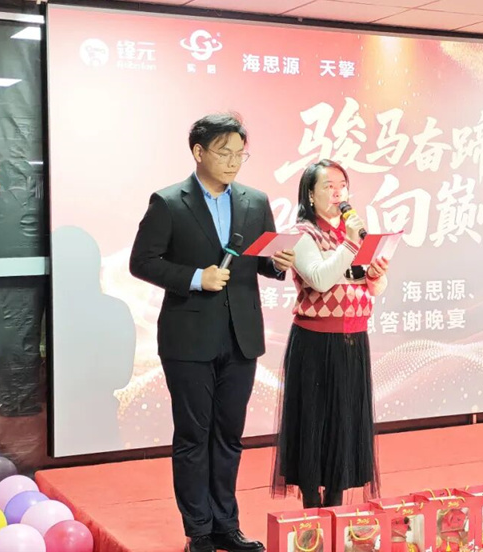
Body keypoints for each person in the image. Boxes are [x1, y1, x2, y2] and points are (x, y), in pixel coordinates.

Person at [130, 113, 294, 552]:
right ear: (198, 152)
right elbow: (142, 262)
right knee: (193, 436)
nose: (234, 161)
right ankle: (199, 531)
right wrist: (194, 278)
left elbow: (263, 261)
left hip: (241, 336)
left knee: (228, 436)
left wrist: (278, 263)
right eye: (224, 153)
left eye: (240, 154)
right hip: (188, 337)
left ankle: (226, 525)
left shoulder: (255, 200)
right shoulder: (169, 202)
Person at [272, 159, 389, 509]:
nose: (338, 192)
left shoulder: (354, 234)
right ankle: (312, 505)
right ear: (310, 194)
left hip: (354, 340)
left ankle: (336, 504)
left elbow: (373, 288)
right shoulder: (302, 234)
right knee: (314, 422)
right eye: (328, 186)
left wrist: (377, 274)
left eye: (342, 185)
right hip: (316, 342)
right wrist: (351, 245)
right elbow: (320, 279)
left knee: (345, 423)